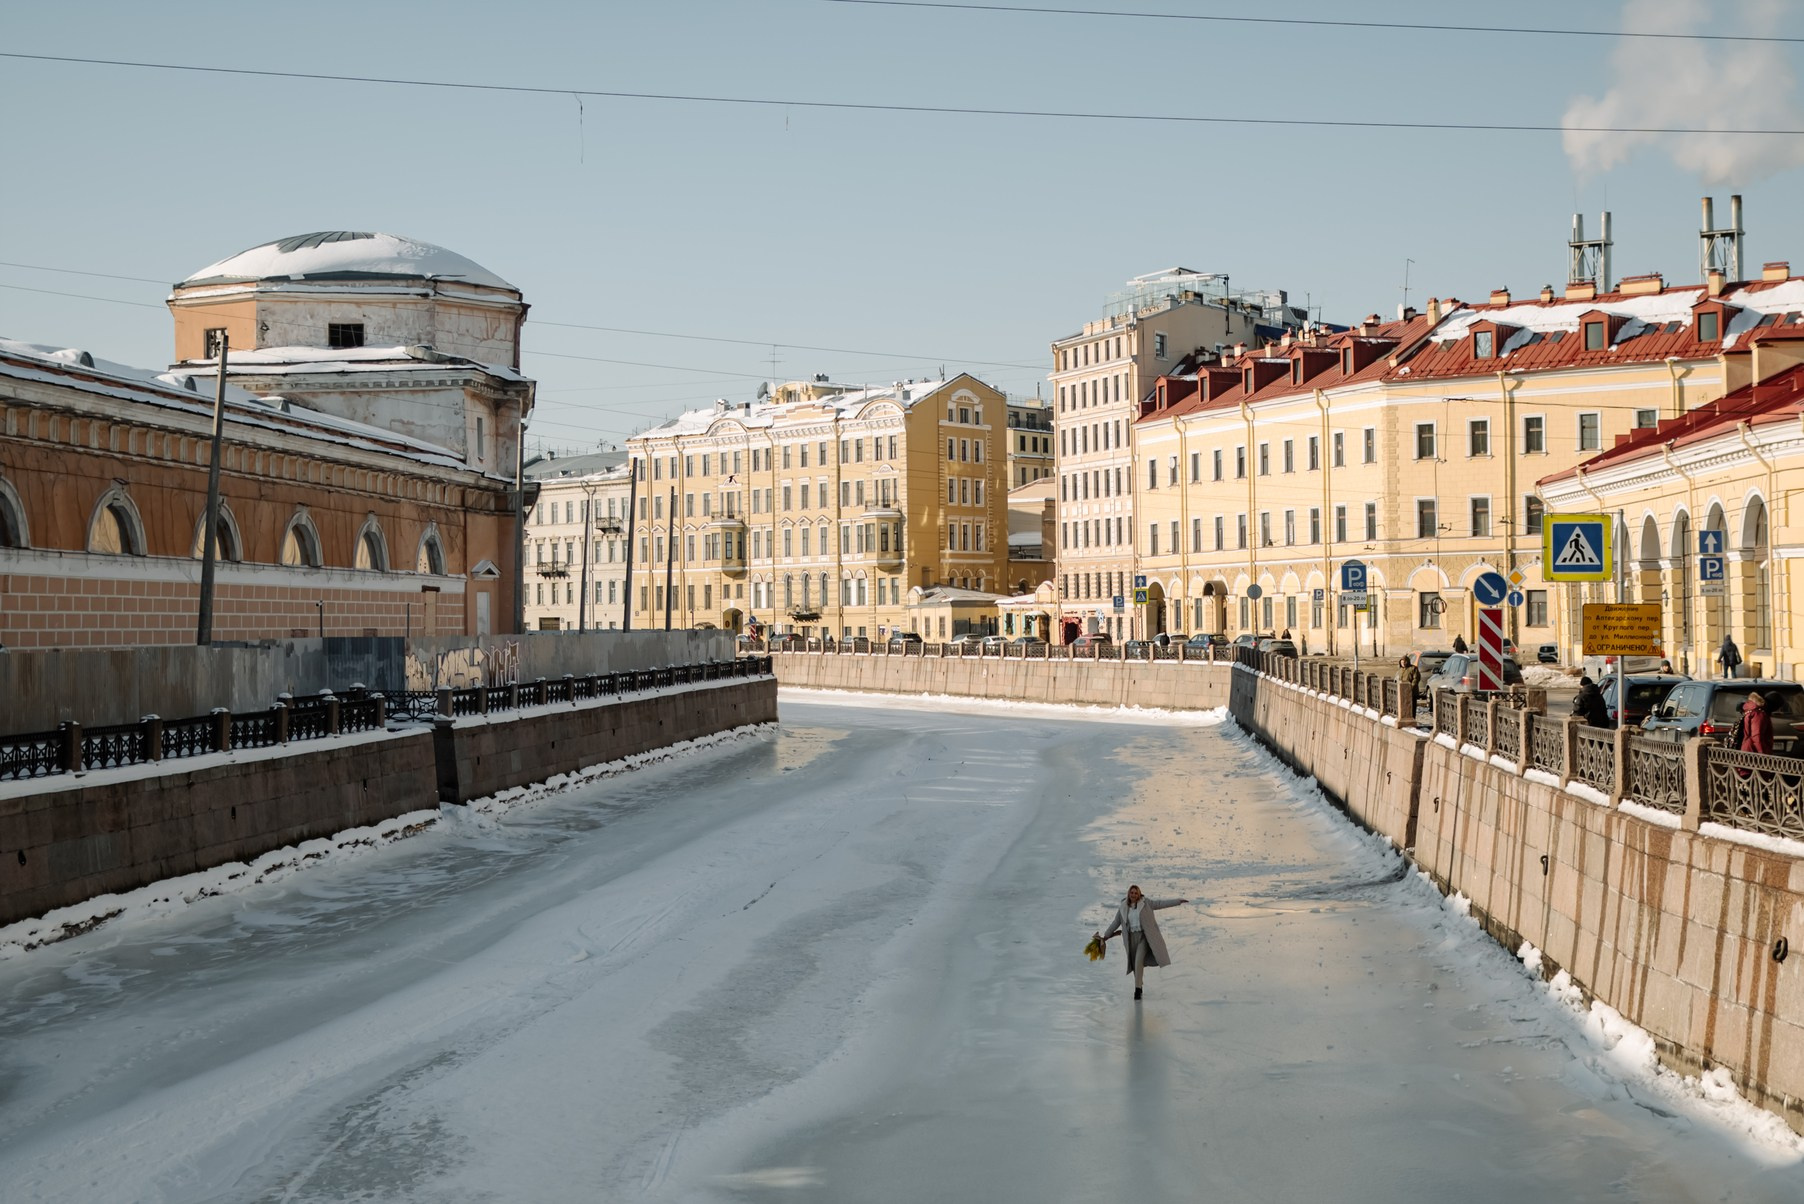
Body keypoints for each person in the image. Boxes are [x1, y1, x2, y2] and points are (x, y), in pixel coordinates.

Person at [1098, 885, 1189, 1001]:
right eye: (1132, 893)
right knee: (1135, 965)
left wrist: (1177, 901)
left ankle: (1137, 990)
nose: (1133, 895)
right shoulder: (1123, 907)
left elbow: (1160, 904)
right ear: (1128, 893)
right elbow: (1116, 922)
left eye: (1136, 893)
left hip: (1144, 937)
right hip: (1131, 939)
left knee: (1138, 960)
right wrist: (1106, 935)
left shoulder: (1146, 903)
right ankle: (1139, 985)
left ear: (1139, 894)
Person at [1739, 692, 1774, 756]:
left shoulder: (1750, 710)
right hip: (1754, 752)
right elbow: (1757, 736)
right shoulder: (1759, 714)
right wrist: (1763, 754)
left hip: (1748, 749)